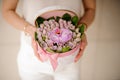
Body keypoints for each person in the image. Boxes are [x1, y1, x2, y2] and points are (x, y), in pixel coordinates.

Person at [2, 0, 96, 80]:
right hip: (32, 57)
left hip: (70, 60)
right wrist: (29, 29)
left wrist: (81, 28)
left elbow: (90, 9)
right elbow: (7, 10)